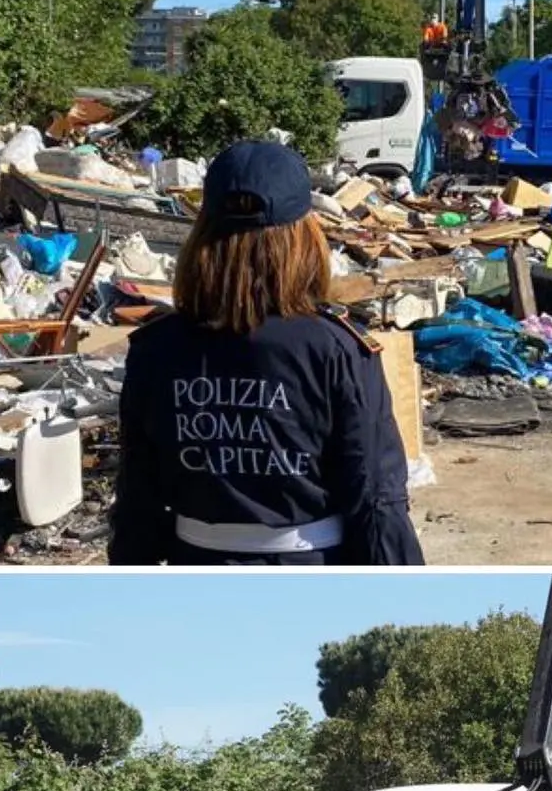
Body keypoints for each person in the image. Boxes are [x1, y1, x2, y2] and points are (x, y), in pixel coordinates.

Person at [110, 141, 424, 566]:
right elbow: (374, 499)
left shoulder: (155, 348)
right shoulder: (337, 349)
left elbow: (137, 502)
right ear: (304, 238)